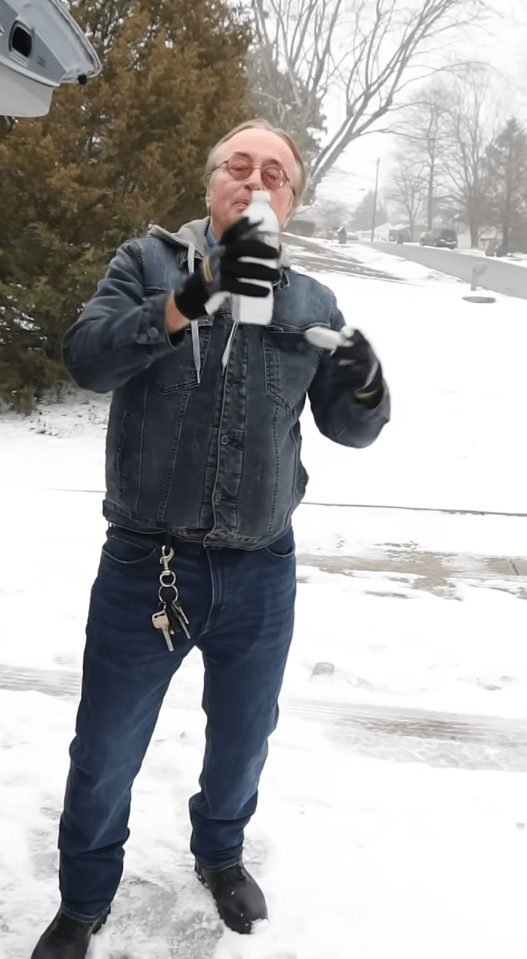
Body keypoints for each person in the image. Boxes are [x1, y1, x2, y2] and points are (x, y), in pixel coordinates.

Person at [31, 118, 390, 958]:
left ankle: (220, 854)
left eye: (276, 173)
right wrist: (191, 298)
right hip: (144, 566)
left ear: (292, 201)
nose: (256, 181)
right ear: (210, 184)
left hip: (262, 569)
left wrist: (367, 390)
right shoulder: (147, 264)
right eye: (239, 165)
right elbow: (87, 358)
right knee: (106, 747)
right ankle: (83, 899)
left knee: (242, 738)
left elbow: (346, 427)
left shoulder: (310, 302)